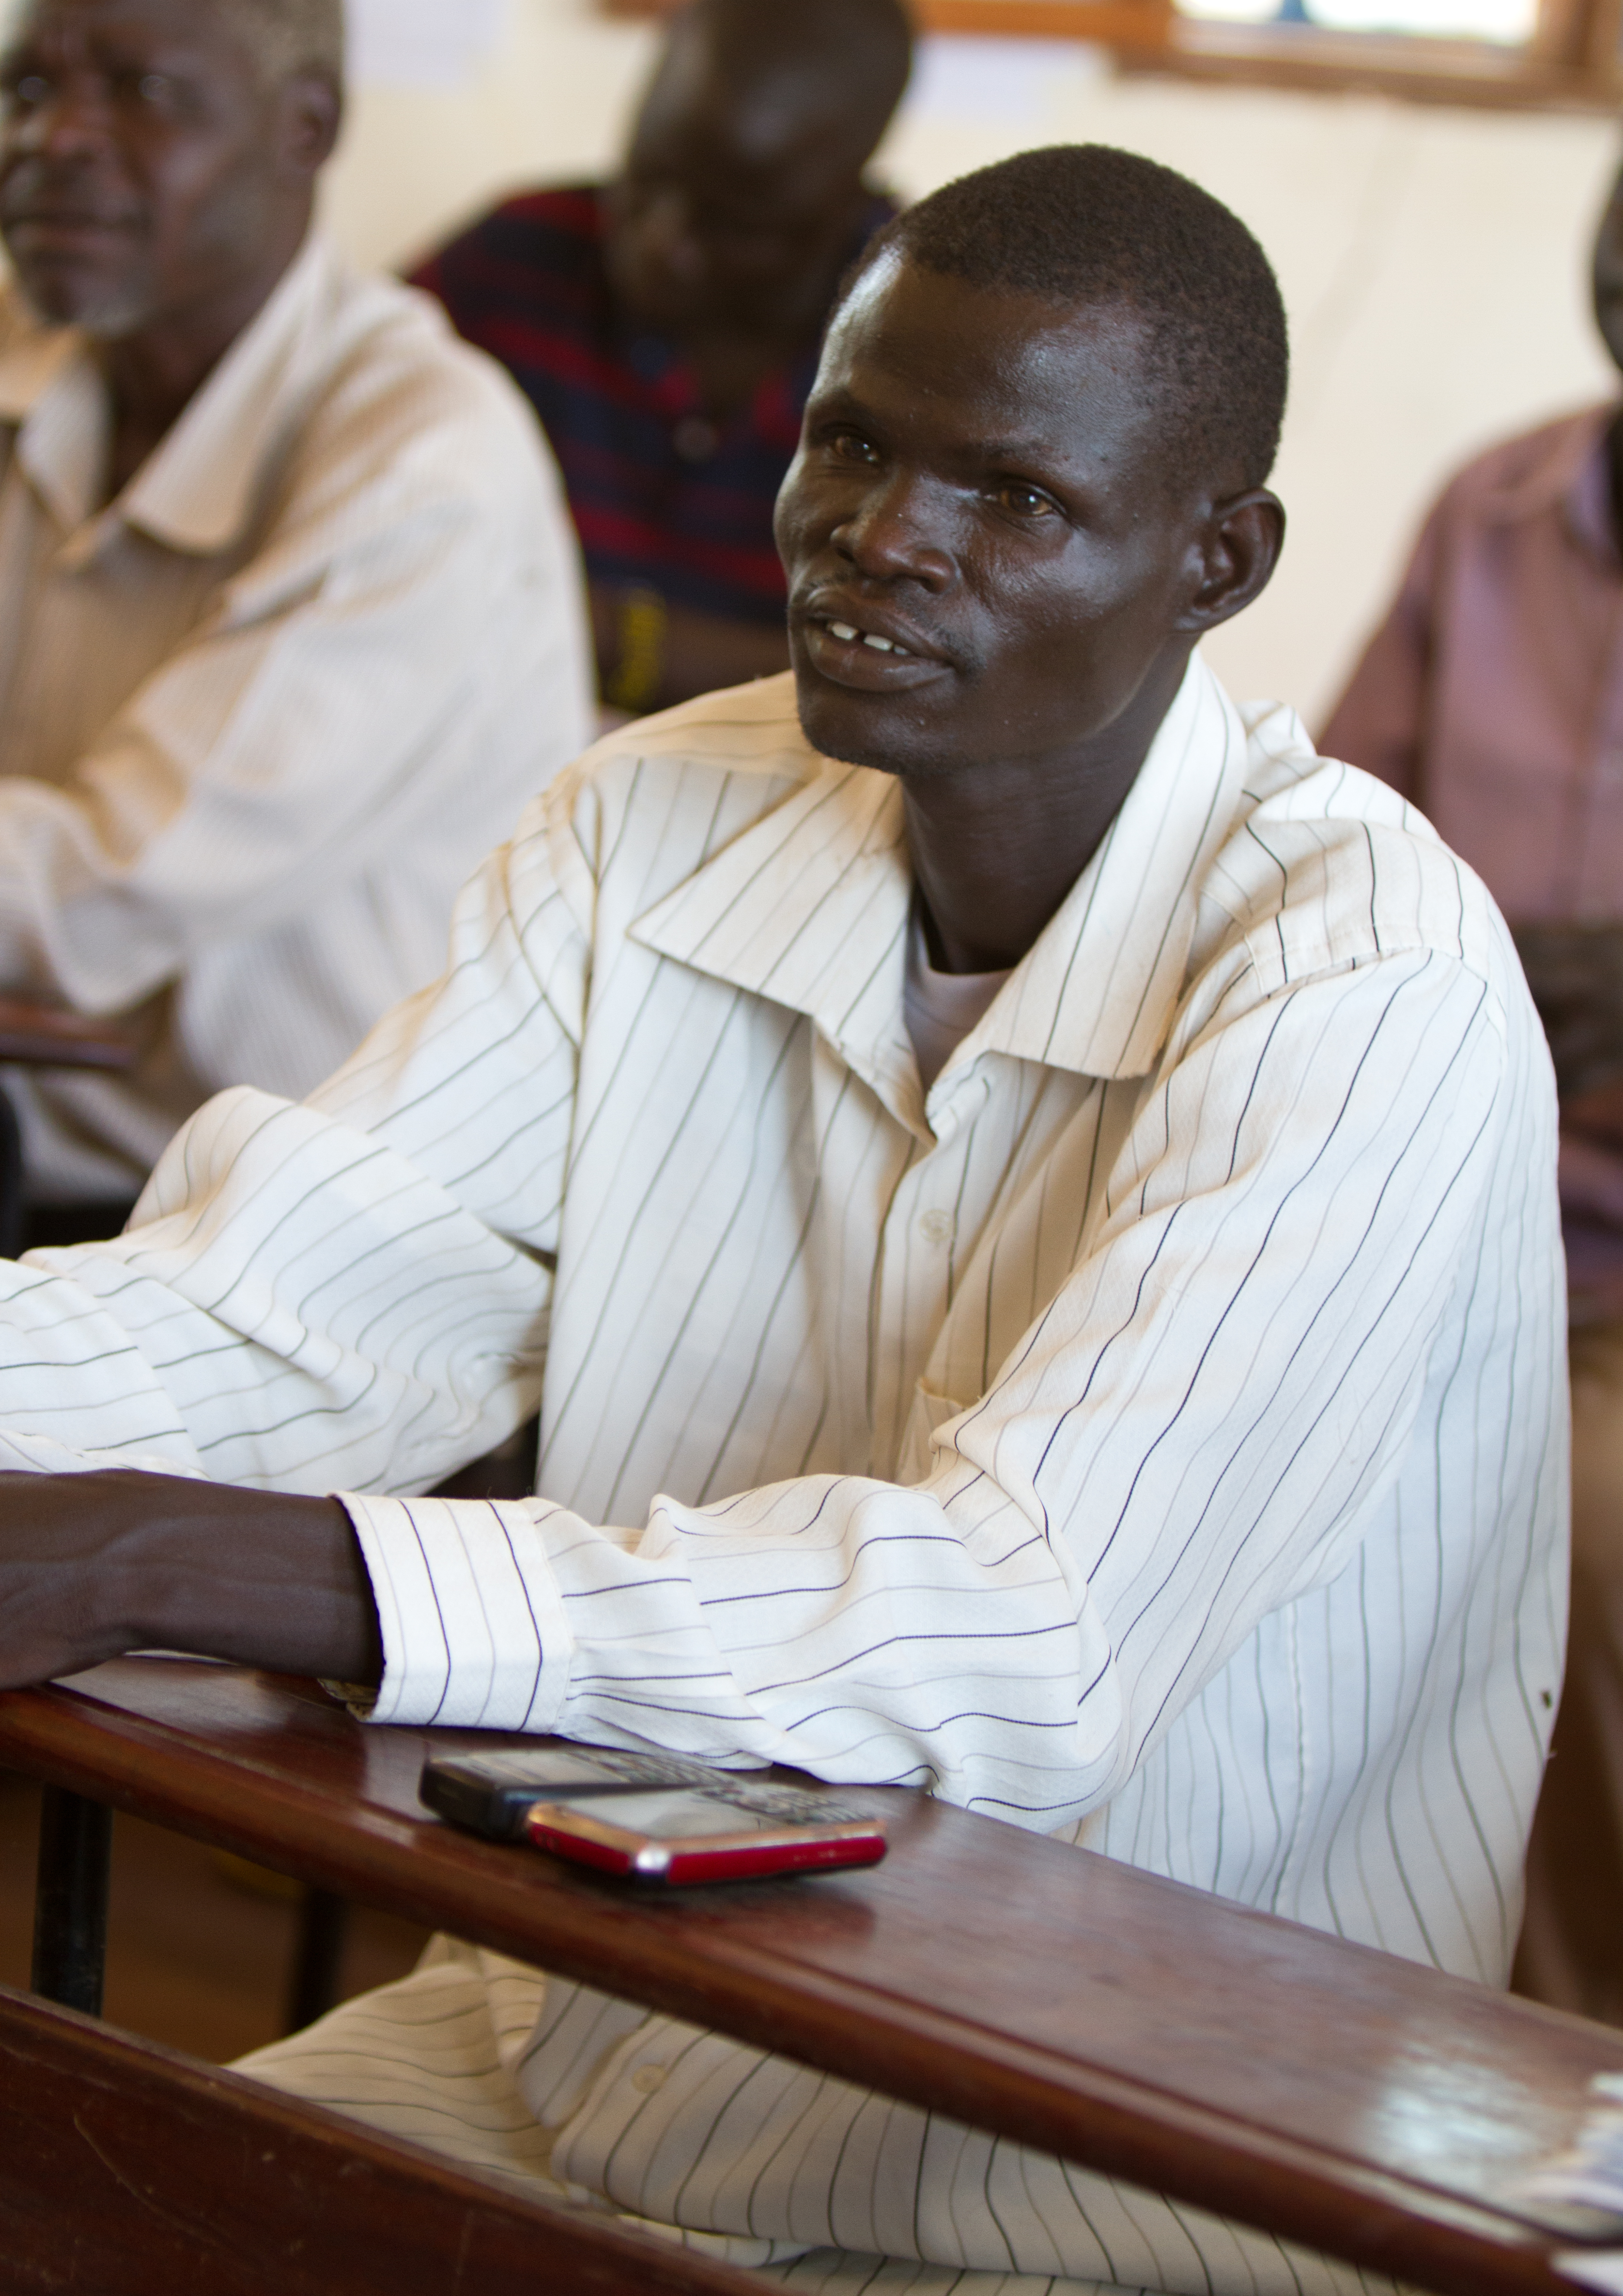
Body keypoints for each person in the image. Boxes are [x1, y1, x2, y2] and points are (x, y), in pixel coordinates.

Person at [0, 147, 1563, 2296]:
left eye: (1005, 495)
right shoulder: (654, 812)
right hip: (613, 2049)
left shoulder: (1356, 970)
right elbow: (286, 1310)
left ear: (1216, 558)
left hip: (1136, 2192)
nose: (875, 539)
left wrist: (171, 1552)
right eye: (848, 440)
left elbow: (1015, 1641)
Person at [0, 0, 594, 1235]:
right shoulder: (30, 346)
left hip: (273, 1214)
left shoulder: (423, 457)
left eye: (141, 90)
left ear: (305, 129)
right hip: (43, 1120)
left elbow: (104, 880)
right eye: (25, 84)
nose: (53, 139)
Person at [1320, 152, 1623, 2026]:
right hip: (1456, 1214)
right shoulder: (1494, 515)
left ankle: (1569, 2095)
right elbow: (1342, 859)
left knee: (1581, 1526)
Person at [410, 0, 911, 716]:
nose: (660, 243)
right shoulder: (514, 262)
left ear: (848, 203)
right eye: (645, 182)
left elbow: (916, 673)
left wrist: (614, 640)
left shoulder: (931, 347)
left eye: (730, 224)